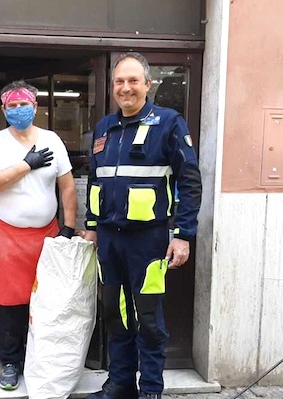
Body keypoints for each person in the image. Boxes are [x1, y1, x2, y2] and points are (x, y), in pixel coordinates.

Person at [81, 52, 202, 399]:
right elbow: (95, 180)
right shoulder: (104, 128)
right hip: (108, 239)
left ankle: (150, 389)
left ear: (147, 85)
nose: (125, 88)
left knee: (148, 319)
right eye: (120, 81)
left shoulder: (168, 123)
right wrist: (91, 225)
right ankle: (119, 384)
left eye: (133, 81)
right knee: (115, 315)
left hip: (147, 240)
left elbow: (190, 181)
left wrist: (183, 235)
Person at [0, 80, 77, 391]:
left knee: (47, 300)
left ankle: (41, 357)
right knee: (9, 300)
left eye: (25, 105)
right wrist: (25, 165)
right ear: (4, 109)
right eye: (13, 106)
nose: (19, 110)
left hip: (47, 234)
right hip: (7, 235)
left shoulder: (52, 140)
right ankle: (10, 362)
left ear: (35, 107)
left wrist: (69, 227)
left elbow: (68, 186)